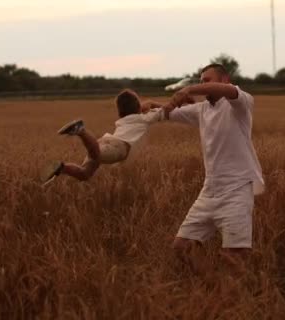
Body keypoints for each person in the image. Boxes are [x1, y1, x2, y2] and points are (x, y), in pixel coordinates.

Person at [162, 63, 264, 273]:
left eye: (207, 80)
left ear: (224, 79)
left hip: (237, 190)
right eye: (200, 82)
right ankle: (209, 285)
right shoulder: (203, 110)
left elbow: (229, 92)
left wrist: (189, 89)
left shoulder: (240, 102)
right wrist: (149, 107)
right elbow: (167, 113)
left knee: (234, 258)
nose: (203, 85)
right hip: (209, 192)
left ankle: (248, 297)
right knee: (181, 248)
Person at [40, 89, 164, 185]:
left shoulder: (123, 119)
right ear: (138, 106)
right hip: (119, 147)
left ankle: (63, 168)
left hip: (104, 141)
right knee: (96, 154)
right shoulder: (144, 118)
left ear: (120, 110)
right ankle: (80, 131)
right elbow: (165, 110)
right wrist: (152, 103)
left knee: (84, 174)